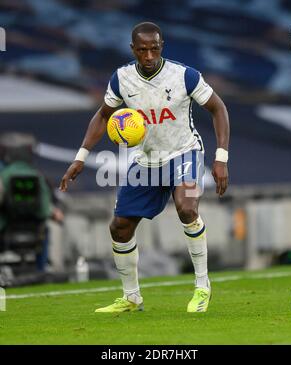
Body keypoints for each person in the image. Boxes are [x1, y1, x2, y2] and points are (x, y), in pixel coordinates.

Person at [60, 22, 230, 313]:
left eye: (154, 48)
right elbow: (103, 116)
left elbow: (218, 108)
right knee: (120, 227)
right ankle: (131, 297)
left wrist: (221, 157)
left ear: (162, 46)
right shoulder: (122, 79)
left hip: (184, 152)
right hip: (146, 161)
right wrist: (81, 156)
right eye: (142, 50)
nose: (149, 55)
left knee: (187, 207)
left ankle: (202, 287)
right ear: (133, 50)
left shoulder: (184, 76)